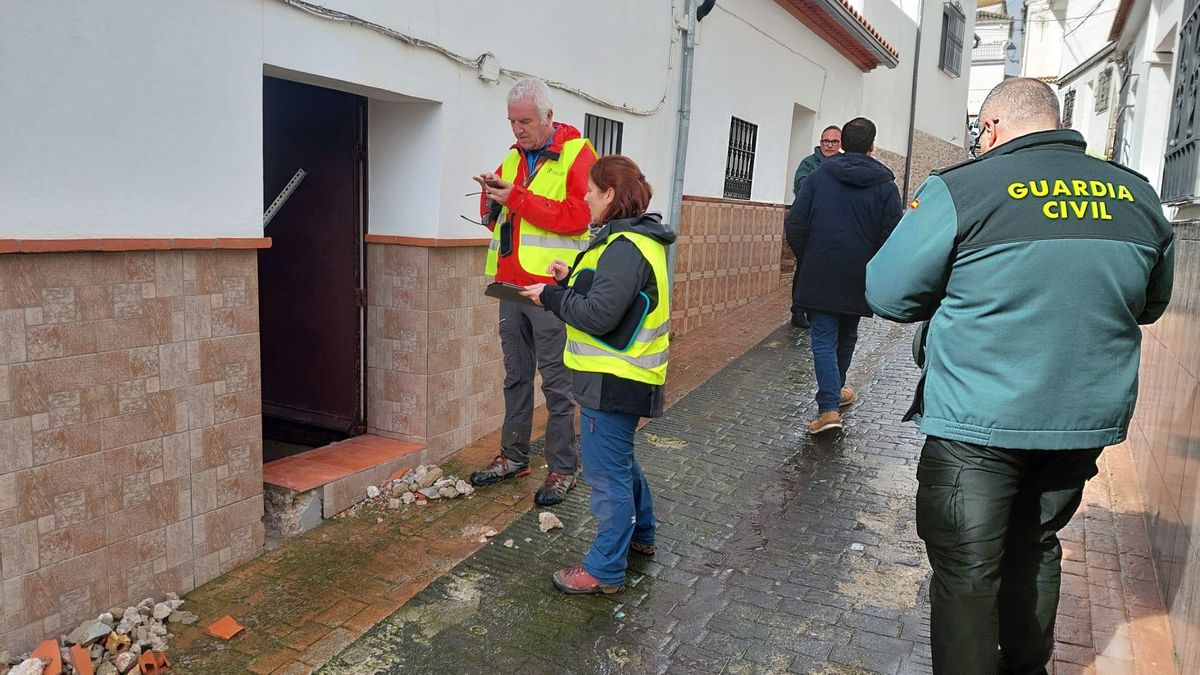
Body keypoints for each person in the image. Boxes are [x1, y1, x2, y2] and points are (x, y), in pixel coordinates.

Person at [865, 78, 1174, 674]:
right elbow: (1151, 304)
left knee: (968, 571)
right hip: (1078, 426)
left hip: (977, 423)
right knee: (1035, 549)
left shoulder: (965, 188)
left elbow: (888, 292)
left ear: (994, 128)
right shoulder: (1138, 196)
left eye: (979, 132)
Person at [519, 155, 673, 595]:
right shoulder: (629, 240)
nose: (584, 196)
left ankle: (605, 569)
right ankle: (642, 534)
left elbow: (601, 315)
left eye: (590, 189)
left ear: (610, 195)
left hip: (614, 379)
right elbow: (611, 293)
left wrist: (550, 296)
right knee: (619, 461)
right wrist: (569, 278)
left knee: (606, 476)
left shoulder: (625, 245)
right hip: (620, 377)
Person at [470, 77, 597, 506]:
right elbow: (496, 220)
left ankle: (564, 468)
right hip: (510, 287)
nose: (517, 129)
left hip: (550, 291)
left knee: (558, 386)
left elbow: (579, 216)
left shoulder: (579, 154)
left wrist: (517, 198)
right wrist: (490, 199)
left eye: (524, 121)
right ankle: (513, 457)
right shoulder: (512, 159)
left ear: (548, 116)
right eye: (511, 121)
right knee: (516, 377)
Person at [785, 117, 901, 434]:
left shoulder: (819, 177)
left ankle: (829, 407)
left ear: (843, 143)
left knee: (823, 337)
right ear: (872, 145)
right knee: (847, 334)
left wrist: (807, 257)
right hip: (859, 276)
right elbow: (892, 236)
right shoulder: (885, 187)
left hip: (821, 270)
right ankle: (832, 398)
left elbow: (795, 222)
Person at [788, 125, 842, 329]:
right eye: (825, 141)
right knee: (805, 269)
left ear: (841, 144)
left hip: (833, 227)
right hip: (809, 227)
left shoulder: (845, 164)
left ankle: (817, 309)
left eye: (833, 142)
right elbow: (802, 188)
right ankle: (799, 310)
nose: (829, 145)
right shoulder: (808, 164)